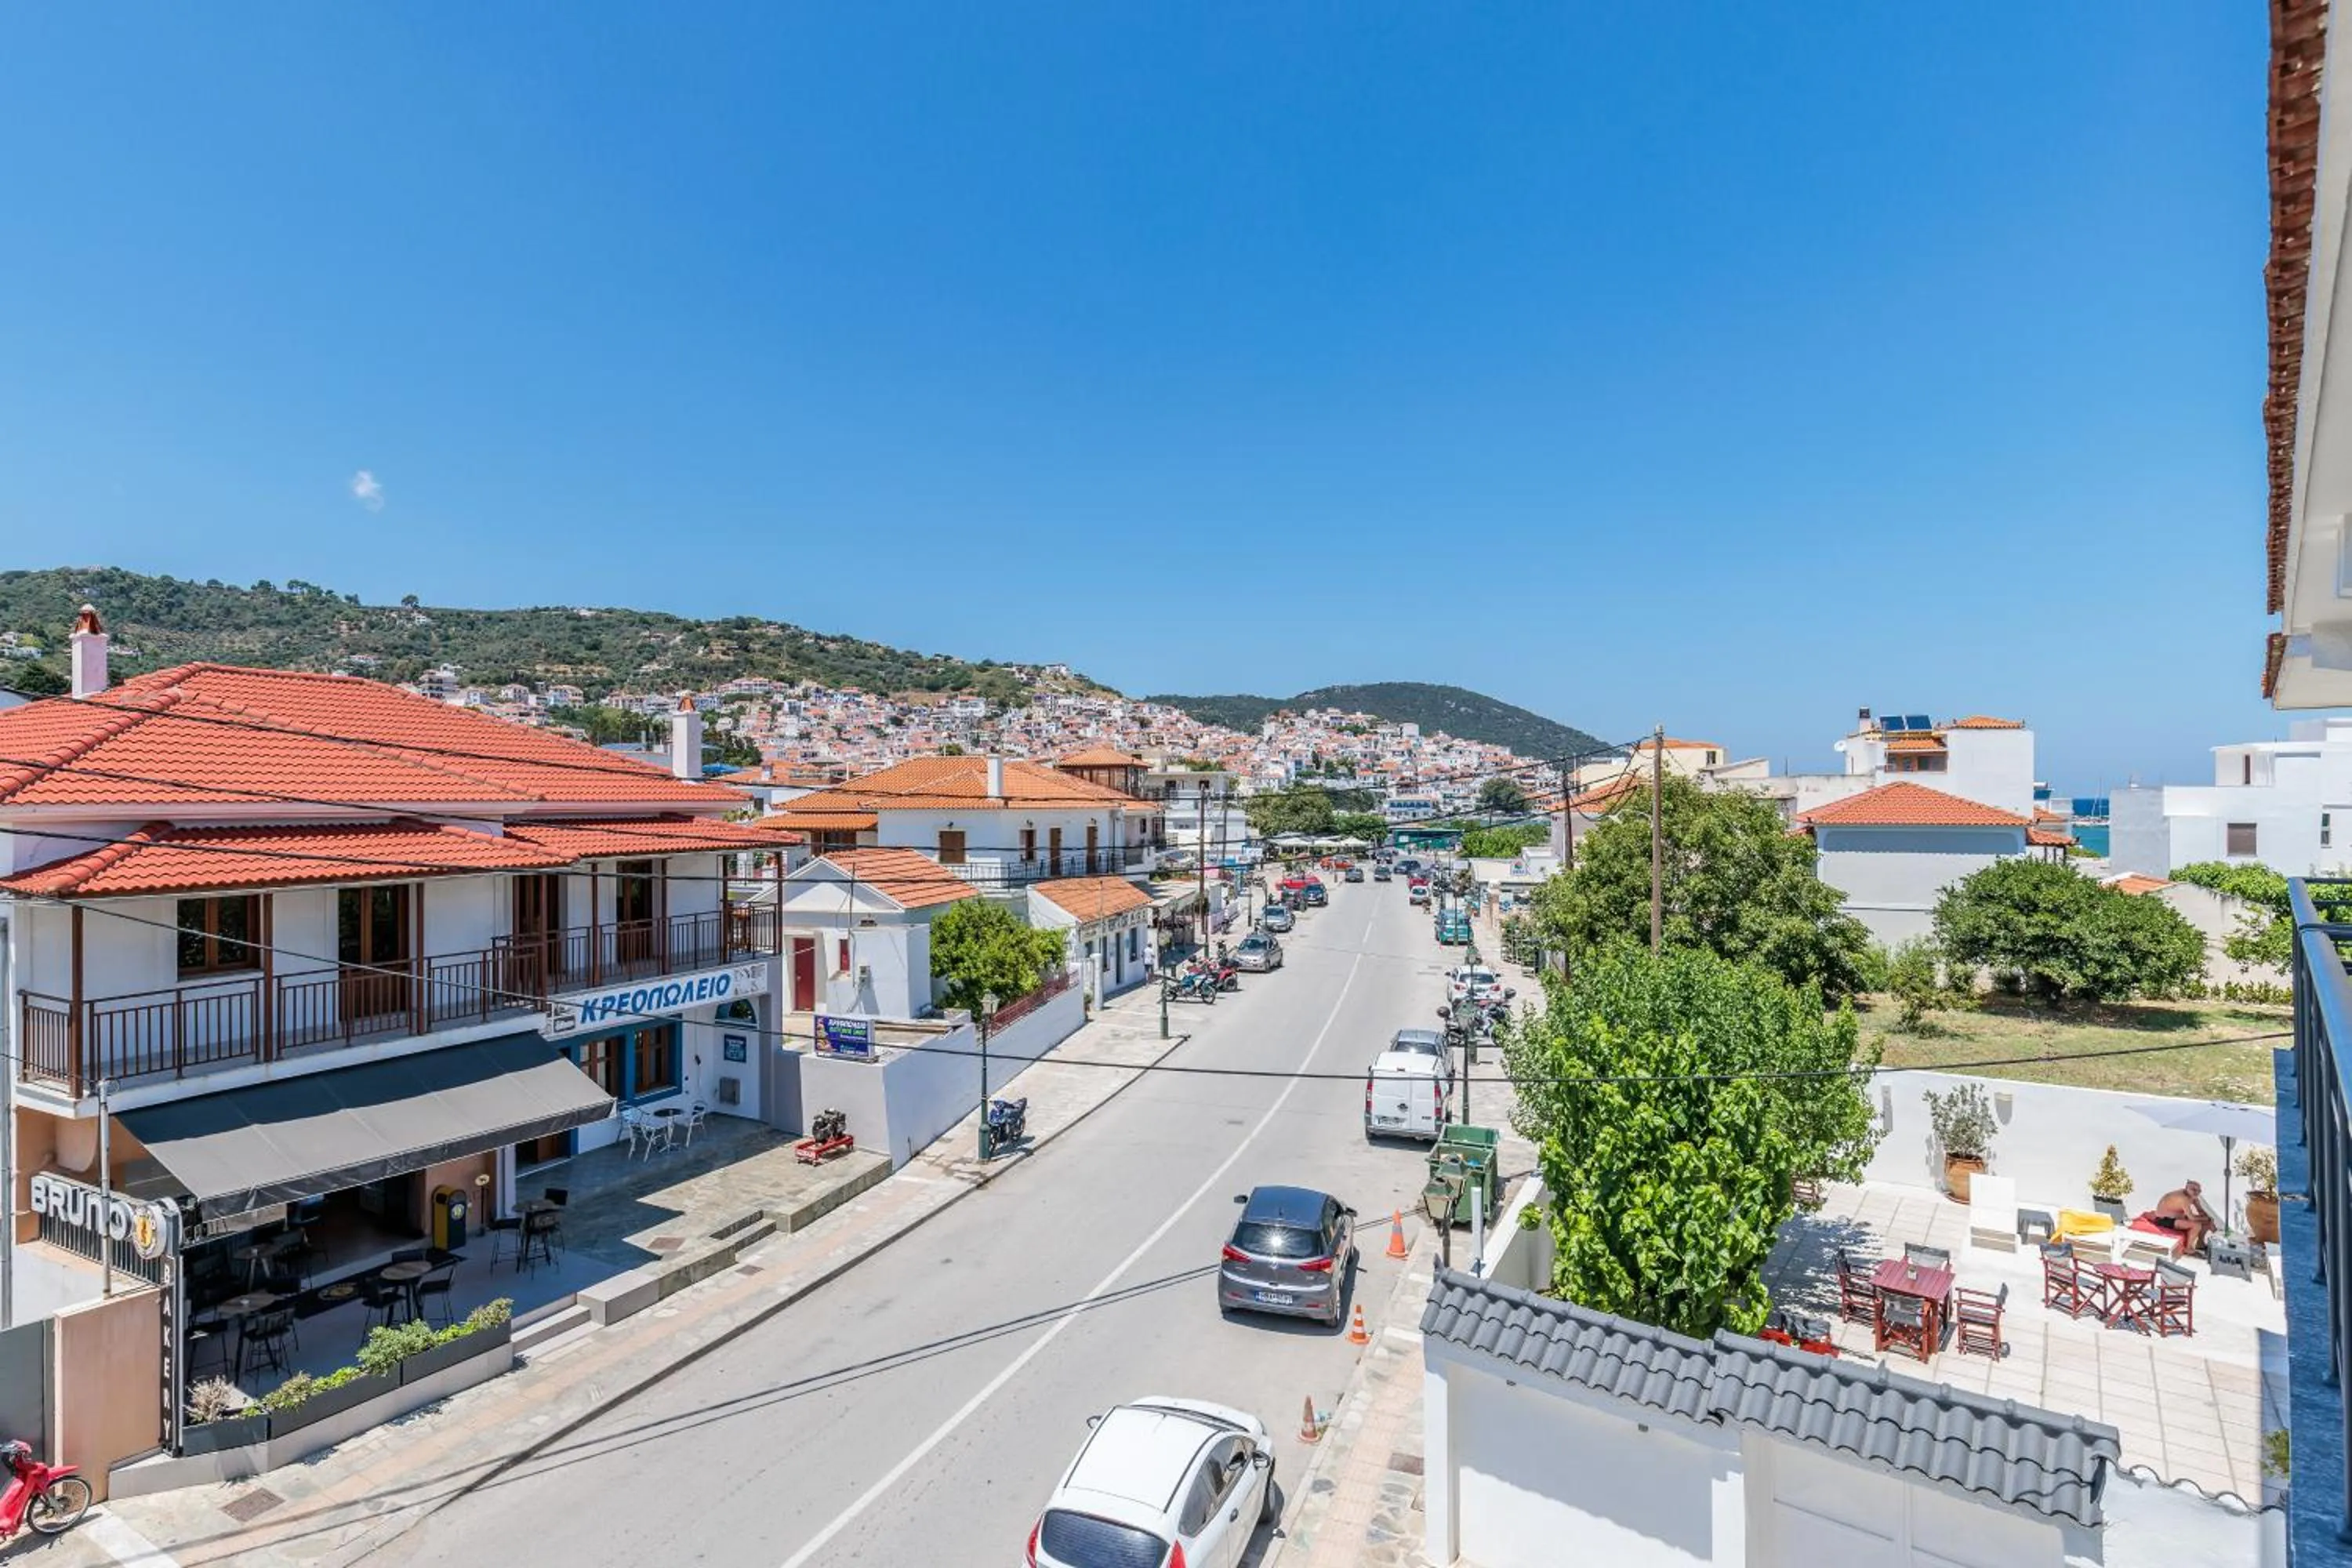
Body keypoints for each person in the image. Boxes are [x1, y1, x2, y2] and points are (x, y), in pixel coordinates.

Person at [2151, 1180, 2221, 1255]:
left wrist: (2209, 1220)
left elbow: (2201, 1211)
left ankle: (2200, 1244)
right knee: (2196, 1225)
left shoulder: (2193, 1196)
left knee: (2206, 1222)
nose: (2196, 1192)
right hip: (2163, 1220)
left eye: (2199, 1191)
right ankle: (2188, 1249)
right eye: (2193, 1190)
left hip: (2177, 1218)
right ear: (2186, 1188)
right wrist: (2207, 1219)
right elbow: (2192, 1218)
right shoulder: (2183, 1198)